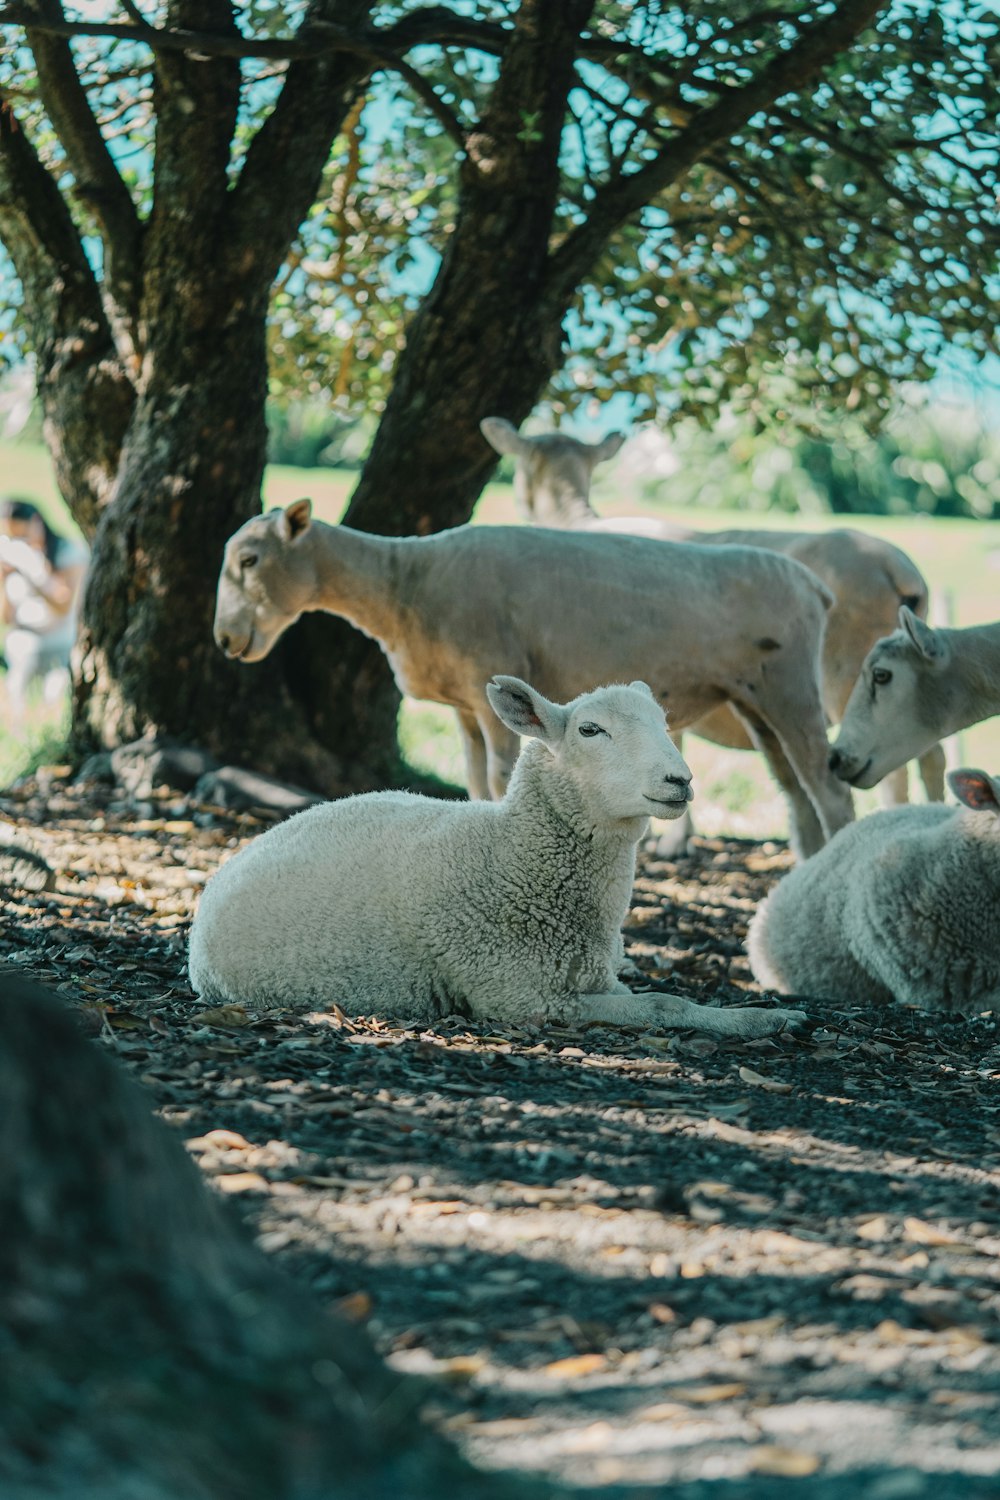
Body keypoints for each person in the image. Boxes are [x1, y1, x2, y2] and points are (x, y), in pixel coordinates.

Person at [0, 497, 88, 717]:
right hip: (23, 649)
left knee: (55, 704)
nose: (19, 542)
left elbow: (63, 606)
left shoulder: (66, 552)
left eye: (22, 535)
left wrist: (35, 574)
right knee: (17, 708)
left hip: (59, 646)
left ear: (36, 523)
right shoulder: (11, 561)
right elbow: (6, 618)